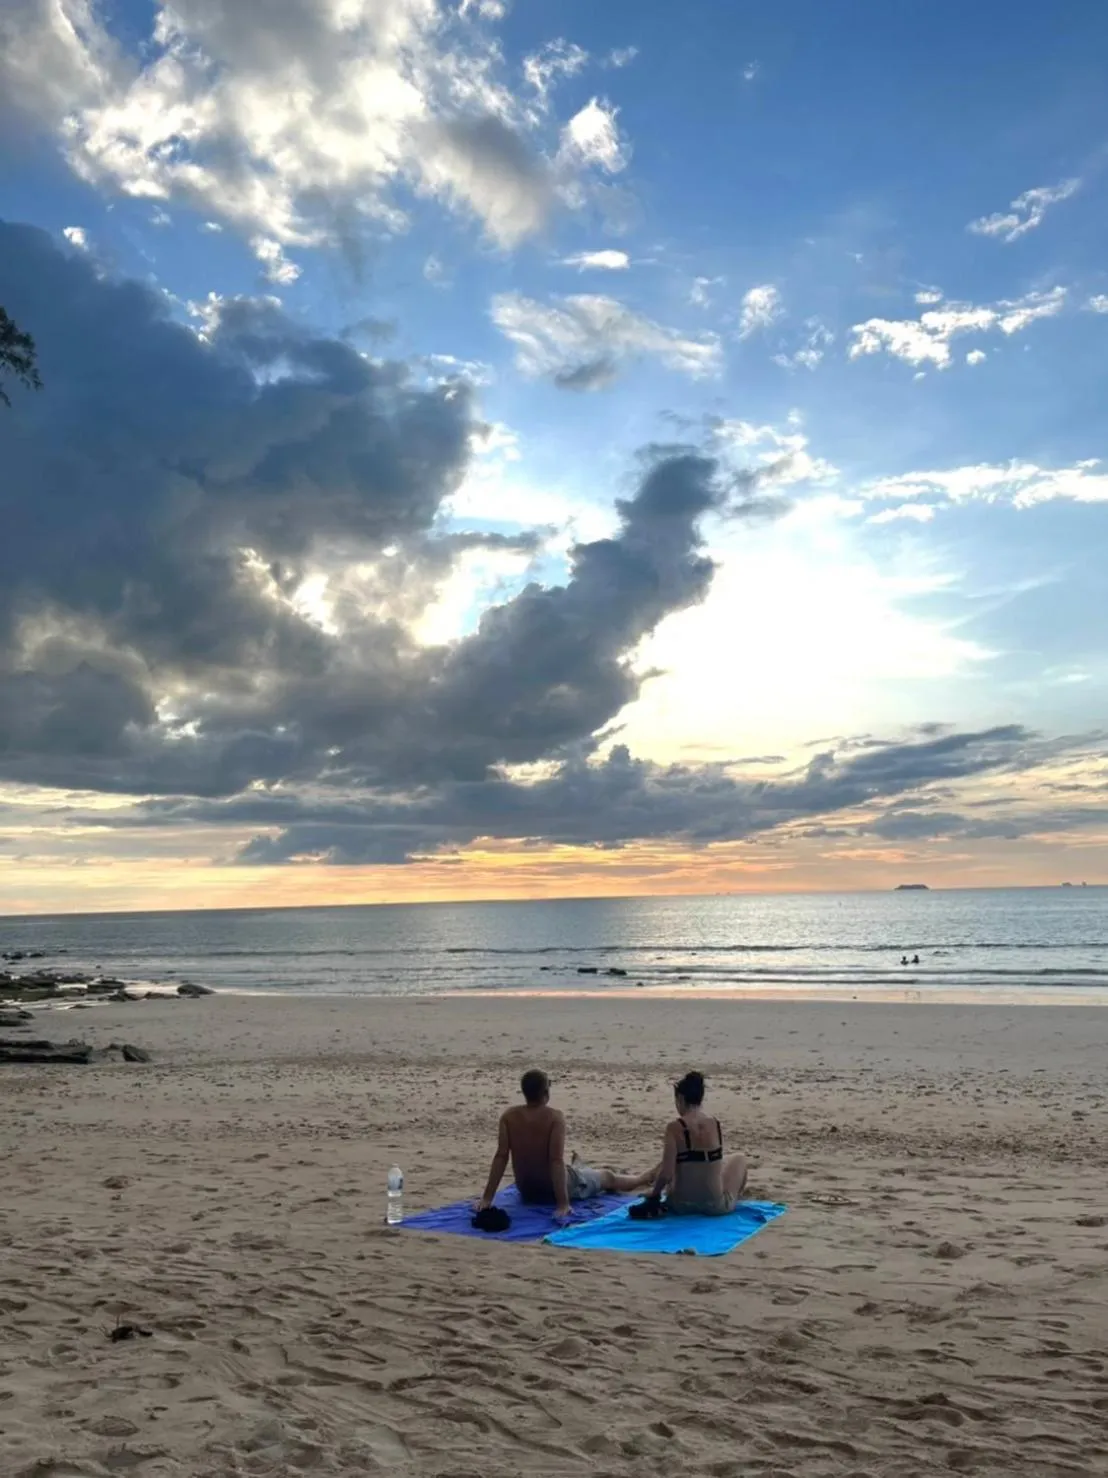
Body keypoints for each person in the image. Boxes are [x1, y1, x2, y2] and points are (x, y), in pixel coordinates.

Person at [475, 1069, 652, 1220]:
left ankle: (579, 1167)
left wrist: (487, 1198)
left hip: (527, 1190)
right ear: (546, 1092)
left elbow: (501, 1156)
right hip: (552, 1190)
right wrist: (563, 1203)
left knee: (578, 1173)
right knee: (607, 1177)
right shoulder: (554, 1117)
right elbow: (555, 1161)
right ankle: (643, 1179)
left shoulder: (508, 1116)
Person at [647, 1070, 747, 1216]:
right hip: (715, 1207)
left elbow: (666, 1174)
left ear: (680, 1099)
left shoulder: (674, 1127)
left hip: (680, 1206)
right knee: (739, 1159)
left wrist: (654, 1194)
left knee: (673, 1163)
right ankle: (738, 1195)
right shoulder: (714, 1123)